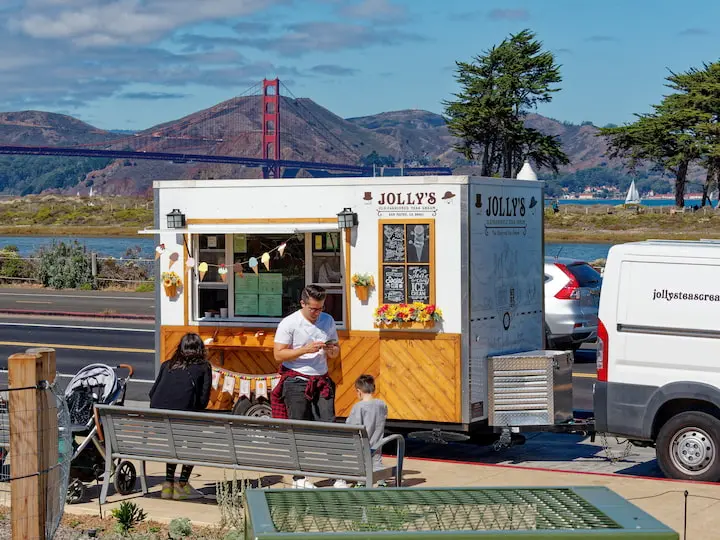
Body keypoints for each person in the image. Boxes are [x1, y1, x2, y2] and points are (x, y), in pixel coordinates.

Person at [271, 284, 340, 489]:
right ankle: (299, 478)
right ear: (302, 303)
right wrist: (304, 350)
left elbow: (336, 352)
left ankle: (337, 474)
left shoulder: (327, 321)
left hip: (321, 377)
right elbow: (278, 354)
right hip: (295, 379)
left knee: (330, 425)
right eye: (313, 309)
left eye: (320, 308)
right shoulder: (289, 323)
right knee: (298, 427)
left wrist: (331, 349)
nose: (317, 313)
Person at [149, 333, 211, 500]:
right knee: (194, 440)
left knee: (173, 443)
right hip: (184, 421)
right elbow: (203, 402)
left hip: (160, 422)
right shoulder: (204, 367)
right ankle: (182, 485)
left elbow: (152, 393)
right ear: (201, 349)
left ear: (180, 348)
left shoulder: (166, 365)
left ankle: (168, 484)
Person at [334, 374, 388, 488]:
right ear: (373, 388)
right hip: (378, 440)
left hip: (363, 443)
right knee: (376, 460)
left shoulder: (359, 407)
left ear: (359, 391)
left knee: (363, 462)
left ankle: (362, 483)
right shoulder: (381, 404)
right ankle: (381, 482)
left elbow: (352, 425)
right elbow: (384, 416)